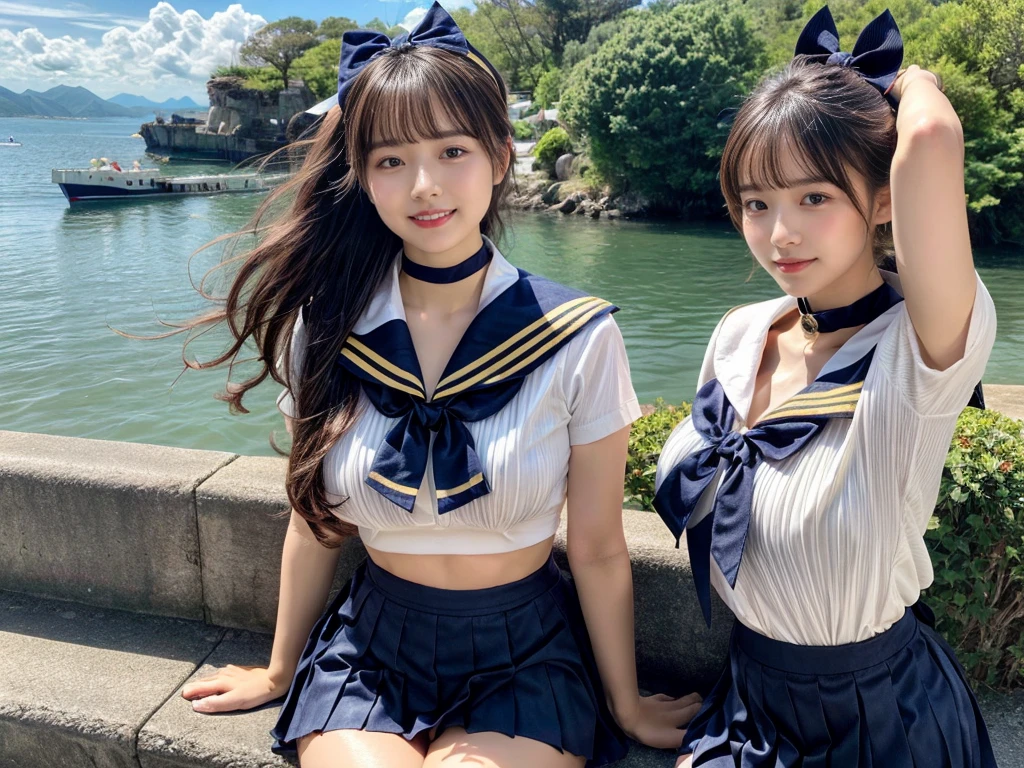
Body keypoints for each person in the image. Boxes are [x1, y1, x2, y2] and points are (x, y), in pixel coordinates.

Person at [178, 5, 699, 766]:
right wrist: (279, 667)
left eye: (452, 150)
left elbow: (595, 547)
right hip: (373, 646)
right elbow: (315, 521)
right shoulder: (323, 330)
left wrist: (625, 703)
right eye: (390, 160)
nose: (424, 185)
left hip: (524, 651)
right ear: (360, 176)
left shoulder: (580, 337)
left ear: (499, 155)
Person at [653, 7, 997, 767]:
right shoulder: (741, 334)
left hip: (882, 719)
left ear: (881, 202)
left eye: (814, 198)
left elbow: (932, 139)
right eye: (757, 202)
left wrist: (903, 79)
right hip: (749, 696)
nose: (780, 235)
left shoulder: (918, 352)